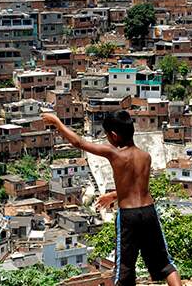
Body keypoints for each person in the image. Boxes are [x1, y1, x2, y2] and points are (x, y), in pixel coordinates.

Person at [41, 110, 182, 286]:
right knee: (165, 263)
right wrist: (114, 195)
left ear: (114, 136)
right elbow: (138, 187)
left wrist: (56, 122)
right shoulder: (146, 157)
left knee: (124, 268)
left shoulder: (114, 154)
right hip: (148, 212)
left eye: (107, 135)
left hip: (128, 217)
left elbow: (78, 142)